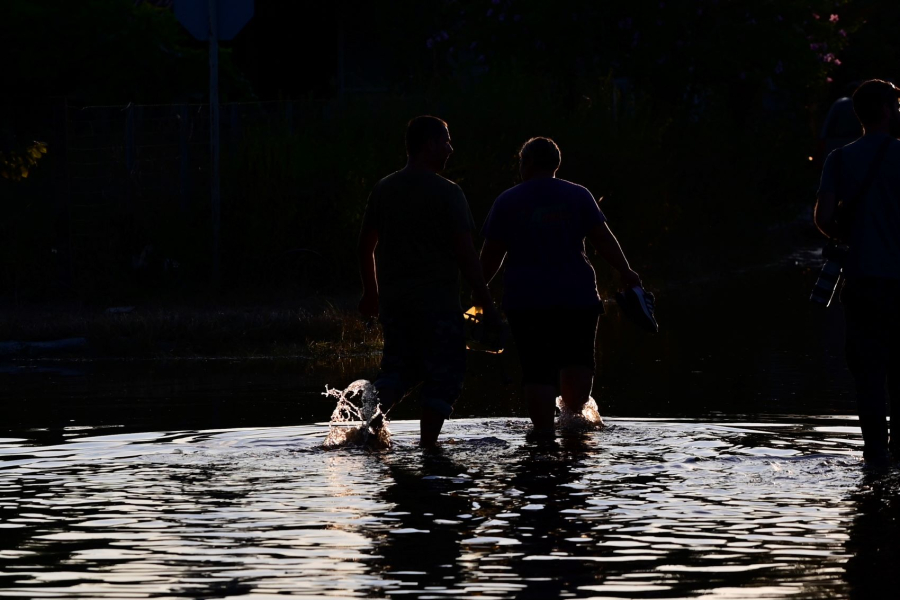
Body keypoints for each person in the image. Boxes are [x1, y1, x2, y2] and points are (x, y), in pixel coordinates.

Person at [479, 137, 642, 435]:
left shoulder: (508, 200)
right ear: (556, 164)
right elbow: (602, 238)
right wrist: (625, 270)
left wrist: (478, 291)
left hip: (526, 301)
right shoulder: (578, 195)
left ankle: (543, 437)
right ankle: (573, 429)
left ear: (525, 164)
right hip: (577, 298)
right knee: (577, 362)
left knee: (537, 370)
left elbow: (491, 256)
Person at [357, 115, 500, 447]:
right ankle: (428, 448)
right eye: (446, 141)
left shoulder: (384, 188)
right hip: (439, 307)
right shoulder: (449, 193)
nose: (451, 148)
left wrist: (371, 293)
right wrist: (486, 304)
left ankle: (365, 432)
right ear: (429, 144)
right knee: (445, 376)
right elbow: (467, 257)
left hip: (396, 306)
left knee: (396, 373)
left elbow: (365, 246)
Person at [814, 79, 900, 466]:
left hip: (861, 281)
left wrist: (851, 230)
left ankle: (875, 457)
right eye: (896, 105)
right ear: (884, 110)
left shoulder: (839, 159)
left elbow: (823, 219)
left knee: (868, 375)